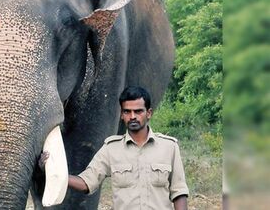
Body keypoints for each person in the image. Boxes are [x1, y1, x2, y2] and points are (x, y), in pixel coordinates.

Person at [40, 86, 189, 210]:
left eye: (138, 111)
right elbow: (86, 183)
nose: (132, 116)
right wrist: (52, 170)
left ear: (148, 113)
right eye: (127, 112)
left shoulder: (169, 147)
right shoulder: (111, 149)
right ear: (121, 115)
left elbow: (179, 192)